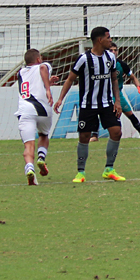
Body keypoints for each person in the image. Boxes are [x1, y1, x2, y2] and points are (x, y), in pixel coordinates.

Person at [54, 26, 125, 183]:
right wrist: (60, 99)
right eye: (108, 37)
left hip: (107, 103)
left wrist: (117, 101)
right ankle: (81, 172)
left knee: (116, 132)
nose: (111, 40)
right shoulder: (84, 59)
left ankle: (109, 169)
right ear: (100, 40)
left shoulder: (110, 57)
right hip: (88, 105)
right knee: (84, 136)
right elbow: (70, 79)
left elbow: (114, 79)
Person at [15, 48, 59, 185]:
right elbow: (42, 69)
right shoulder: (43, 65)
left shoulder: (20, 72)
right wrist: (48, 88)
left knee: (29, 145)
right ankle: (41, 157)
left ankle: (30, 168)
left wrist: (47, 83)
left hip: (25, 111)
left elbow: (32, 86)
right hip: (43, 110)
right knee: (44, 135)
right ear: (39, 59)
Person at [110, 42, 140, 141]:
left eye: (115, 50)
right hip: (104, 95)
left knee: (130, 114)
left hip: (118, 95)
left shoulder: (121, 64)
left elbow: (133, 77)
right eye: (110, 50)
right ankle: (94, 135)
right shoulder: (102, 64)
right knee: (99, 113)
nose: (113, 52)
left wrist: (139, 87)